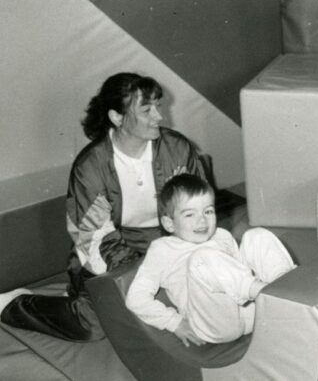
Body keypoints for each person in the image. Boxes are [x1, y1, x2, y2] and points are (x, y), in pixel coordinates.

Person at [0, 73, 207, 341]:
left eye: (158, 105)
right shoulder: (91, 166)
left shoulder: (177, 149)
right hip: (111, 251)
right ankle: (14, 304)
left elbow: (198, 208)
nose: (159, 116)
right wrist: (147, 274)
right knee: (93, 327)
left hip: (168, 243)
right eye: (147, 109)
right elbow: (93, 238)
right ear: (117, 117)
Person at [126, 174, 295, 345]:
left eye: (208, 211)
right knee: (201, 258)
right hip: (215, 324)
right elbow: (136, 299)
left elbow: (234, 275)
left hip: (252, 311)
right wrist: (174, 323)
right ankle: (272, 295)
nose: (202, 220)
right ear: (169, 223)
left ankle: (287, 289)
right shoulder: (161, 250)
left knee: (256, 235)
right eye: (189, 215)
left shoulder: (221, 236)